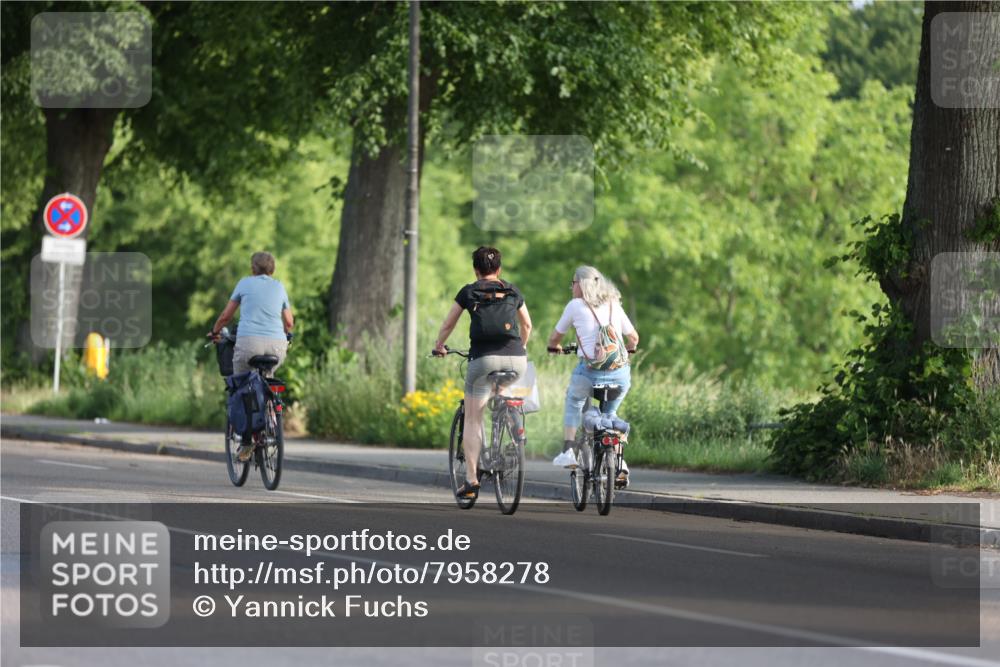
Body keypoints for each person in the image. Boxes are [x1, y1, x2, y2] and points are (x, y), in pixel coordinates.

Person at [434, 246, 533, 500]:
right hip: (516, 361)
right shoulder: (512, 290)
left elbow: (448, 324)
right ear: (499, 269)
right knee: (500, 394)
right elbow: (527, 325)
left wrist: (439, 347)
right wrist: (520, 347)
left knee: (473, 418)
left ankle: (471, 479)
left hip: (483, 361)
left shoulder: (469, 291)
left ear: (476, 270)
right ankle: (512, 424)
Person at [547, 266, 639, 484]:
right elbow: (634, 338)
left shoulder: (575, 306)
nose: (572, 287)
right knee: (609, 417)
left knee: (574, 400)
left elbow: (553, 339)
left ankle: (568, 450)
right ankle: (620, 463)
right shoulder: (614, 305)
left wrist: (555, 348)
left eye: (573, 283)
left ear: (581, 284)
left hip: (589, 374)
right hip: (620, 376)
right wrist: (626, 351)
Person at [208, 251, 294, 460]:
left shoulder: (244, 284)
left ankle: (247, 441)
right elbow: (289, 323)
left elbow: (226, 316)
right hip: (276, 347)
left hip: (248, 344)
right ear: (272, 269)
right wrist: (287, 337)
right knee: (268, 379)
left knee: (241, 385)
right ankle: (271, 417)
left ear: (253, 268)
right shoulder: (279, 286)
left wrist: (216, 331)